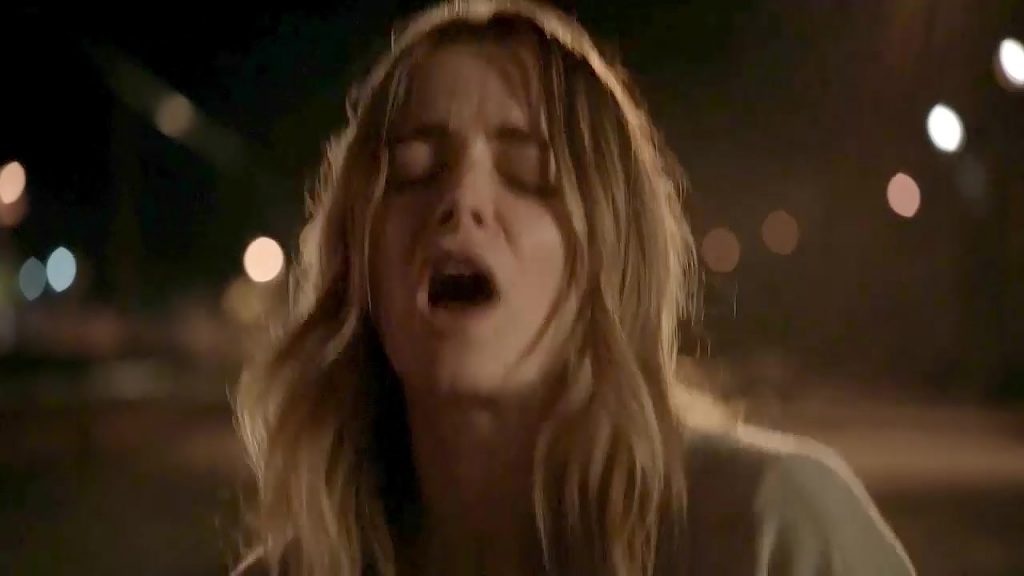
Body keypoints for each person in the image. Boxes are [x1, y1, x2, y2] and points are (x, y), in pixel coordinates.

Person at [232, 1, 917, 575]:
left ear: (610, 254)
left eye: (529, 172)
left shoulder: (767, 532)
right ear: (358, 257)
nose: (461, 198)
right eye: (413, 170)